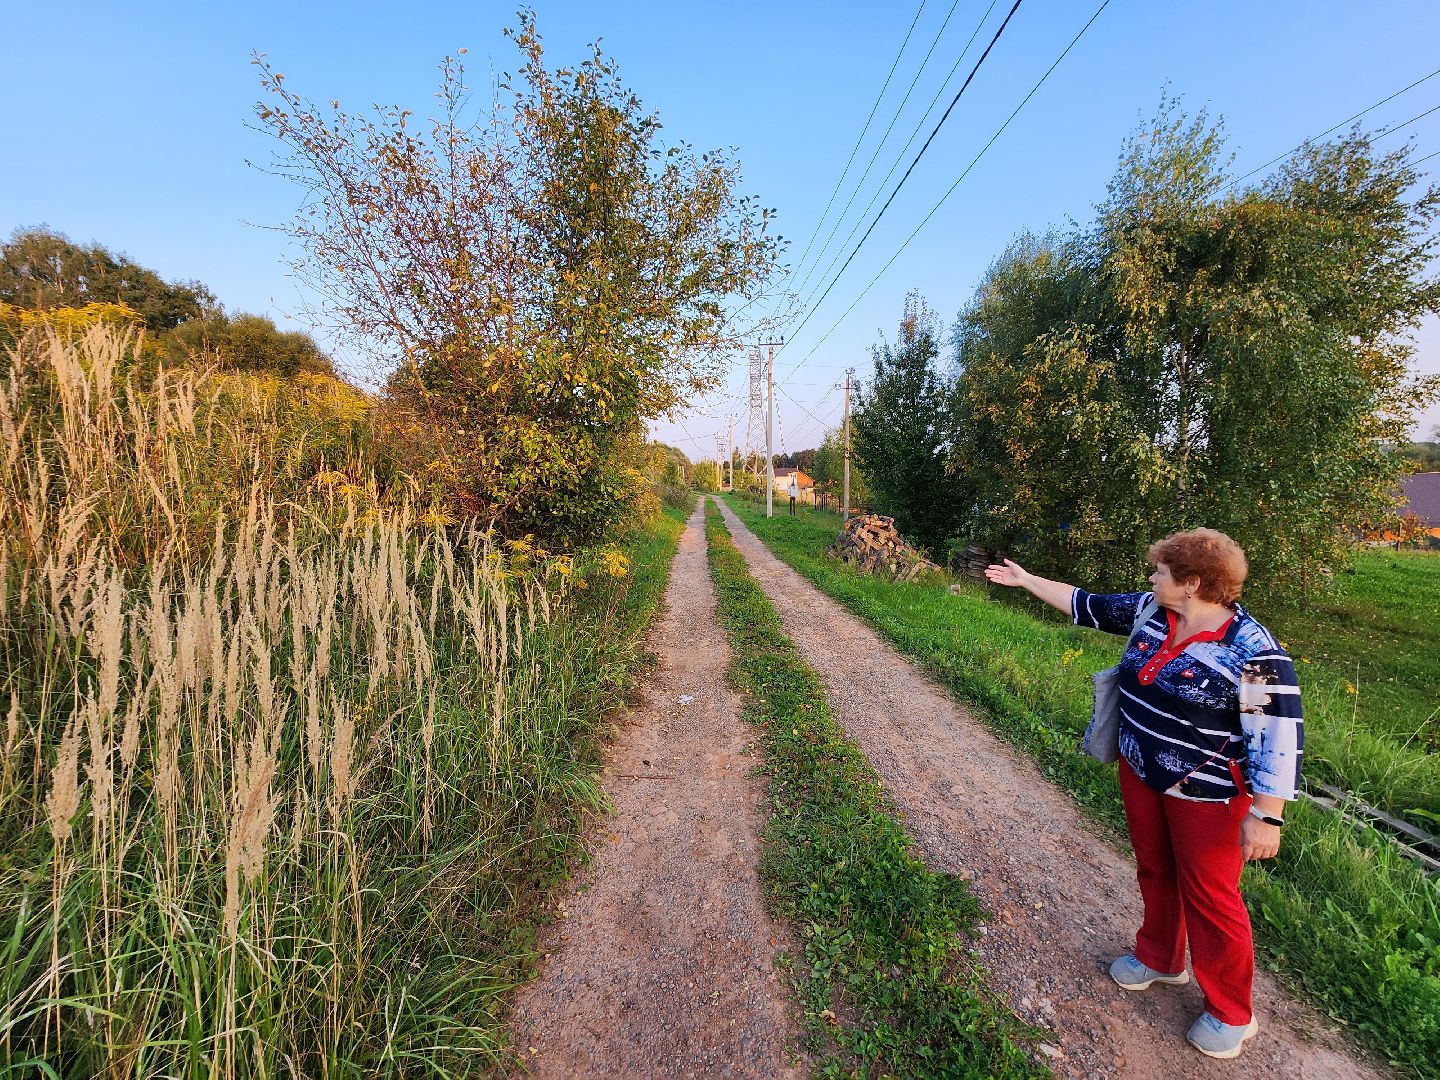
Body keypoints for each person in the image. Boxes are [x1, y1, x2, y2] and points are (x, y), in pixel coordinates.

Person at [984, 529, 1302, 1061]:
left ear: (1193, 583)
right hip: (1141, 770)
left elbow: (1279, 736)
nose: (1151, 578)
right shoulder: (1153, 613)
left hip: (1209, 794)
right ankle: (1160, 958)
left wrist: (1267, 814)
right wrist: (1027, 580)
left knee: (1211, 894)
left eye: (1161, 571)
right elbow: (1088, 605)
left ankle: (1231, 1011)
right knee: (1154, 867)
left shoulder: (1254, 651)